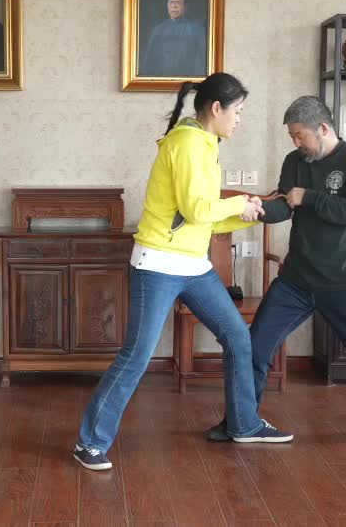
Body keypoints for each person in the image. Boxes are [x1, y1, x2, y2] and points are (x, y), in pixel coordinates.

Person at [73, 73, 293, 471]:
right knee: (137, 356)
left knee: (237, 337)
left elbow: (201, 216)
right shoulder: (189, 143)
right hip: (159, 264)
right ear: (216, 109)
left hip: (193, 265)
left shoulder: (205, 143)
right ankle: (89, 443)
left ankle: (244, 424)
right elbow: (197, 209)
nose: (240, 119)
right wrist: (241, 202)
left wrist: (249, 213)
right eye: (238, 111)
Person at [205, 96, 346, 446]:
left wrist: (308, 197)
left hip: (344, 281)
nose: (296, 142)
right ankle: (240, 421)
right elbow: (284, 206)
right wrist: (257, 208)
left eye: (300, 135)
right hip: (296, 280)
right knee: (255, 348)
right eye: (292, 136)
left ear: (323, 128)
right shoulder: (295, 161)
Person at [140, 0, 206, 76]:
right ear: (167, 5)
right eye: (171, 2)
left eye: (178, 3)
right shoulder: (159, 30)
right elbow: (150, 61)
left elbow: (201, 62)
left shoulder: (197, 30)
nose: (174, 6)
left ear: (185, 7)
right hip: (162, 79)